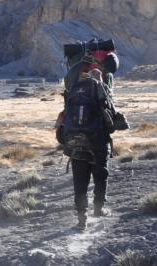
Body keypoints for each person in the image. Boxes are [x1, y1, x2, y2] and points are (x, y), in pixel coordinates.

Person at [59, 41, 121, 231]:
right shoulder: (101, 83)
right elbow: (110, 114)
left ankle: (81, 218)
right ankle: (98, 209)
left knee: (80, 178)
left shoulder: (72, 80)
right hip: (98, 139)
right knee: (100, 174)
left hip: (75, 137)